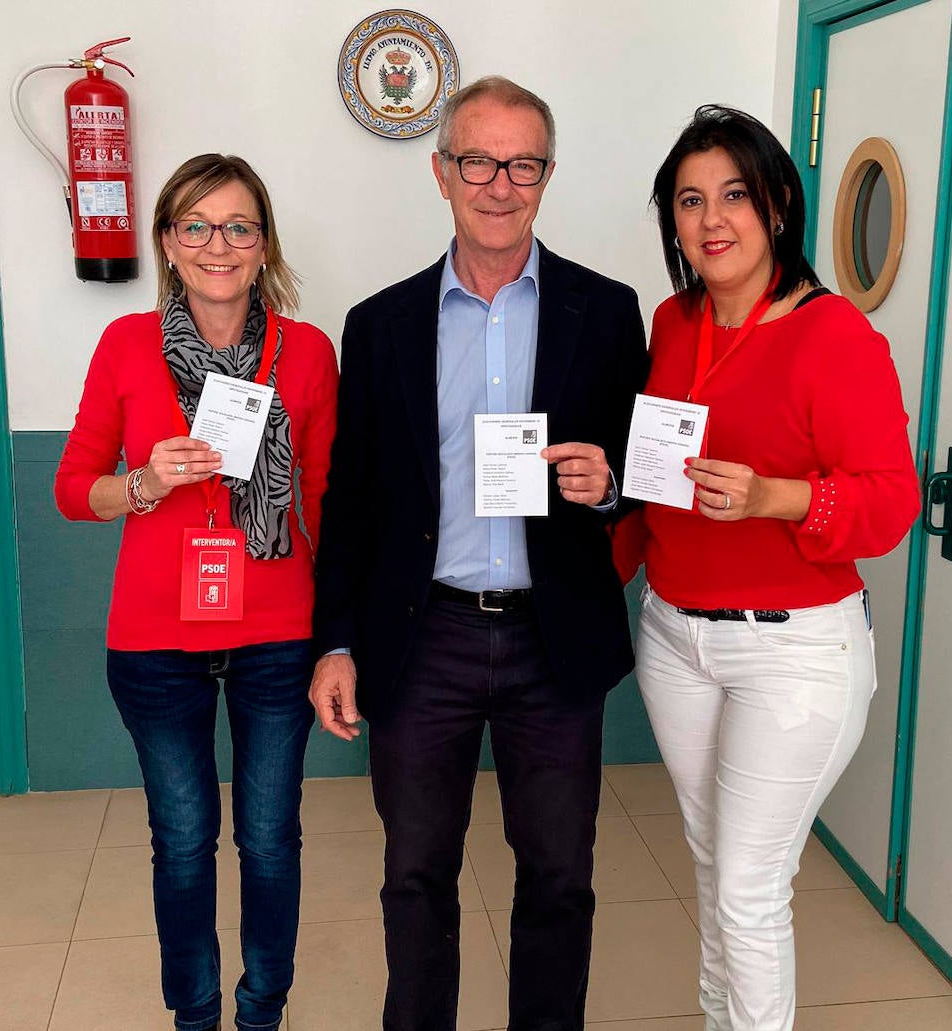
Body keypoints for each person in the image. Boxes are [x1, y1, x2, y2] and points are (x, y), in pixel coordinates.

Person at [309, 76, 649, 1030]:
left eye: (523, 164)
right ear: (441, 171)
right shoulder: (380, 326)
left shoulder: (608, 311)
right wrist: (335, 641)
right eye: (478, 161)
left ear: (546, 176)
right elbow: (350, 501)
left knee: (560, 879)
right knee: (415, 876)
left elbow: (642, 471)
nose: (499, 184)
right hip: (425, 640)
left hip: (555, 638)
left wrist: (609, 481)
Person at [633, 105, 920, 1031]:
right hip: (675, 636)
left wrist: (776, 498)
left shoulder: (834, 335)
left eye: (735, 196)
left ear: (779, 206)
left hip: (793, 654)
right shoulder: (673, 323)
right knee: (716, 868)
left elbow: (890, 501)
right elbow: (654, 476)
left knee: (751, 889)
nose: (713, 220)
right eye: (689, 201)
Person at [55, 153, 337, 1031]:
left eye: (239, 226)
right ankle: (196, 1014)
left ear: (264, 246)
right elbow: (74, 489)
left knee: (269, 840)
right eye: (197, 226)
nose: (219, 243)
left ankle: (262, 1010)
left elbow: (326, 501)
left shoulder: (309, 352)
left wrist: (341, 638)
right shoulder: (125, 346)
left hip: (277, 632)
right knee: (181, 843)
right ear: (169, 244)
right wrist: (142, 481)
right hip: (152, 643)